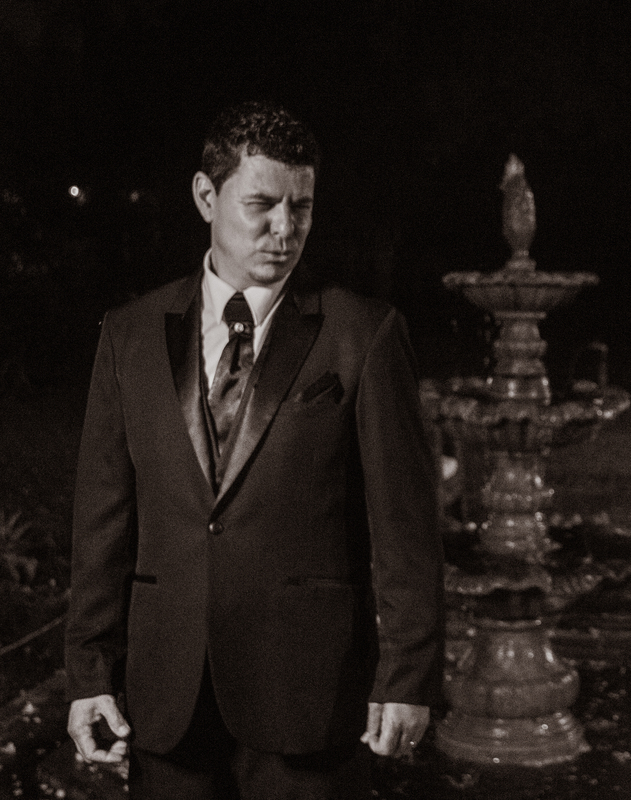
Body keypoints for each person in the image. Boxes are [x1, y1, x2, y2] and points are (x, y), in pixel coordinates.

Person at [64, 101, 444, 800]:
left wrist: (407, 678)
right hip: (164, 694)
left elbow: (405, 528)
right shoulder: (129, 333)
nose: (285, 229)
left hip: (309, 694)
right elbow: (102, 520)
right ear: (206, 197)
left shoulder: (365, 333)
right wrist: (89, 674)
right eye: (262, 205)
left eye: (301, 207)